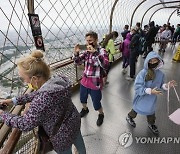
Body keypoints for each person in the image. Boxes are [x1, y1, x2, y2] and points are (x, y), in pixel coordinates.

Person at [0, 50, 86, 154]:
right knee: (80, 146)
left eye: (24, 79)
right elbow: (37, 94)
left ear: (35, 79)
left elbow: (25, 124)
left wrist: (3, 115)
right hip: (74, 121)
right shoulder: (59, 81)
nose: (25, 82)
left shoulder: (42, 99)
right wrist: (12, 101)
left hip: (61, 135)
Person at [126, 51, 176, 135]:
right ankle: (129, 117)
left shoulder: (161, 74)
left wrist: (166, 86)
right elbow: (138, 87)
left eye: (154, 61)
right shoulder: (142, 73)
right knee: (136, 109)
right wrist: (149, 91)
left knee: (151, 112)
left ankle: (151, 124)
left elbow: (161, 86)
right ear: (147, 62)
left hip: (151, 99)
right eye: (150, 61)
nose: (152, 63)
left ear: (159, 61)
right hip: (141, 97)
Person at [73, 31, 109, 126]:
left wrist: (96, 53)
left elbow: (105, 64)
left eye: (91, 40)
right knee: (82, 98)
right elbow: (78, 62)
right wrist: (76, 54)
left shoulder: (101, 51)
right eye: (87, 41)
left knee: (96, 102)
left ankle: (101, 114)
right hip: (85, 80)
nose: (89, 43)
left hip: (95, 82)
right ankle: (85, 109)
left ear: (96, 40)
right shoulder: (86, 52)